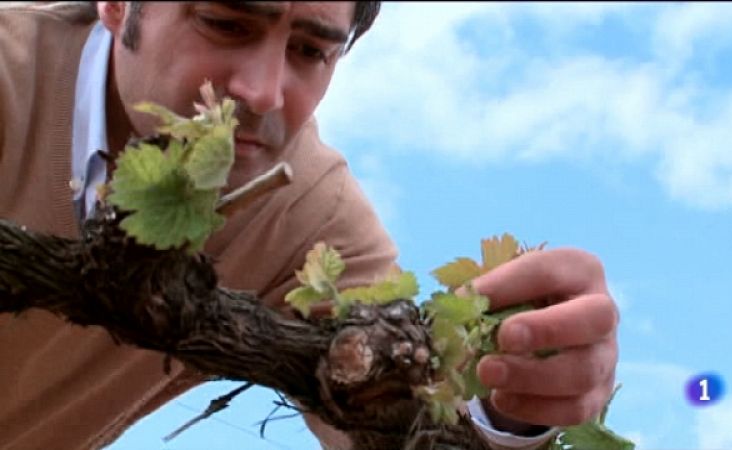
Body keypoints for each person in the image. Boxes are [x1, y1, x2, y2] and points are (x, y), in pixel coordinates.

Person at [0, 2, 619, 449]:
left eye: (310, 51)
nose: (264, 91)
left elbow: (406, 421)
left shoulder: (312, 216)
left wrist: (510, 402)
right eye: (225, 24)